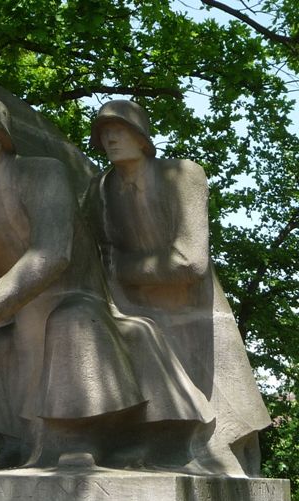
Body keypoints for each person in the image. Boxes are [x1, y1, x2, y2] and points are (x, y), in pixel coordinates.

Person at [0, 91, 150, 469]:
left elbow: (53, 252)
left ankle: (80, 437)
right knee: (1, 344)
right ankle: (18, 441)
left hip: (73, 295)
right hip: (15, 310)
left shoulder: (42, 173)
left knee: (71, 322)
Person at [85, 99, 271, 475]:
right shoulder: (99, 190)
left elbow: (190, 260)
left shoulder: (182, 175)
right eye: (104, 133)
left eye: (118, 130)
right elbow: (92, 254)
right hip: (132, 307)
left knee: (214, 421)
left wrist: (121, 268)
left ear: (141, 137)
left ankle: (196, 449)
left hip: (190, 308)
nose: (110, 139)